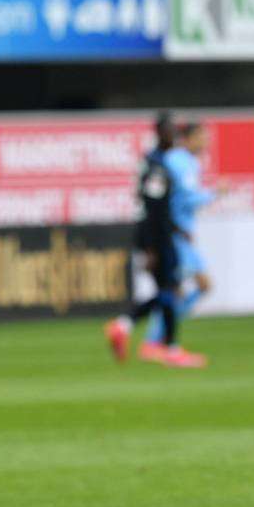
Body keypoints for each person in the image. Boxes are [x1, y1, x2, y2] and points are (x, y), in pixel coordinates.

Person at [137, 121, 215, 368]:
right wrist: (215, 193)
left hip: (179, 235)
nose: (206, 142)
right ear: (189, 138)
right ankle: (155, 342)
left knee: (180, 290)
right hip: (176, 236)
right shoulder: (183, 163)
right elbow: (185, 199)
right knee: (191, 287)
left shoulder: (179, 161)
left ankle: (156, 341)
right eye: (202, 137)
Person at [104, 112, 180, 364]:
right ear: (160, 133)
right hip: (156, 240)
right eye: (171, 130)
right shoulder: (157, 166)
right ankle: (165, 346)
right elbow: (152, 209)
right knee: (168, 290)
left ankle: (128, 328)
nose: (175, 135)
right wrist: (150, 247)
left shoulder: (153, 163)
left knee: (167, 291)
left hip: (158, 236)